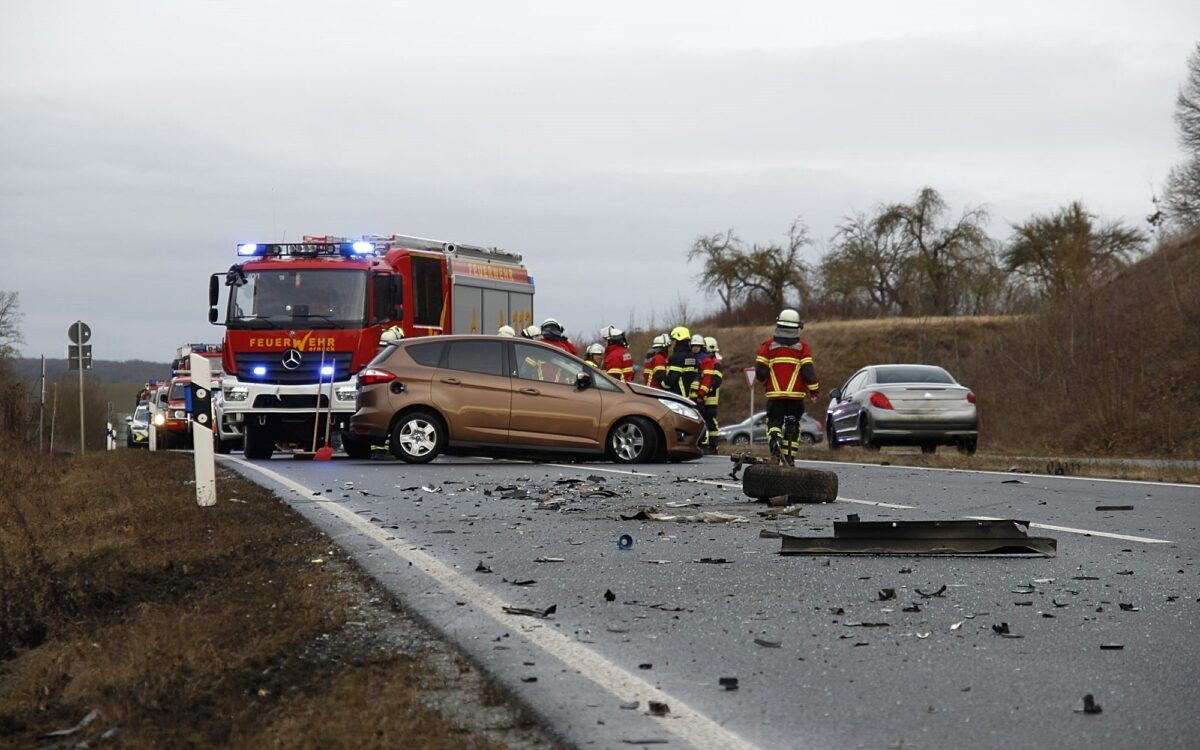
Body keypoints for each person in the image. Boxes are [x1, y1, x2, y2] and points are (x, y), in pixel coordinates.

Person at [755, 308, 820, 465]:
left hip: (775, 396)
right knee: (794, 425)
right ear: (797, 327)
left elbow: (760, 371)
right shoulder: (803, 347)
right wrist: (814, 391)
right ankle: (789, 457)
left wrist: (765, 381)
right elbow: (808, 372)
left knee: (774, 422)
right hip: (796, 397)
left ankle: (775, 444)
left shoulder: (768, 346)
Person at [661, 326, 699, 400]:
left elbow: (673, 377)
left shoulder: (677, 356)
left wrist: (663, 384)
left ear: (678, 340)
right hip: (687, 396)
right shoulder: (691, 356)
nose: (672, 342)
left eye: (673, 340)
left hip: (676, 395)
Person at [701, 336, 723, 453]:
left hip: (711, 398)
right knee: (703, 420)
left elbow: (716, 380)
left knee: (711, 421)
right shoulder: (707, 362)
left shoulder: (716, 364)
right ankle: (704, 443)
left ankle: (713, 445)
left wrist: (707, 390)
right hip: (704, 396)